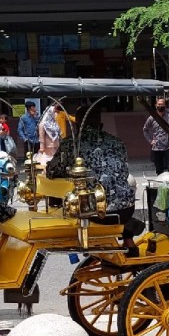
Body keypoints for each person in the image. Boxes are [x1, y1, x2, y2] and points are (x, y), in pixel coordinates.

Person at [46, 105, 141, 256]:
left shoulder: (71, 144)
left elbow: (52, 171)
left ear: (76, 125)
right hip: (126, 210)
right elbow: (122, 171)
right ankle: (128, 240)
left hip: (94, 212)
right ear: (100, 124)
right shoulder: (117, 142)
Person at [143, 97, 169, 175]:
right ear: (155, 105)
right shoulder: (152, 118)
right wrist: (150, 140)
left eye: (162, 104)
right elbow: (145, 129)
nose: (160, 106)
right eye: (159, 104)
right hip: (156, 148)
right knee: (159, 170)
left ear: (165, 106)